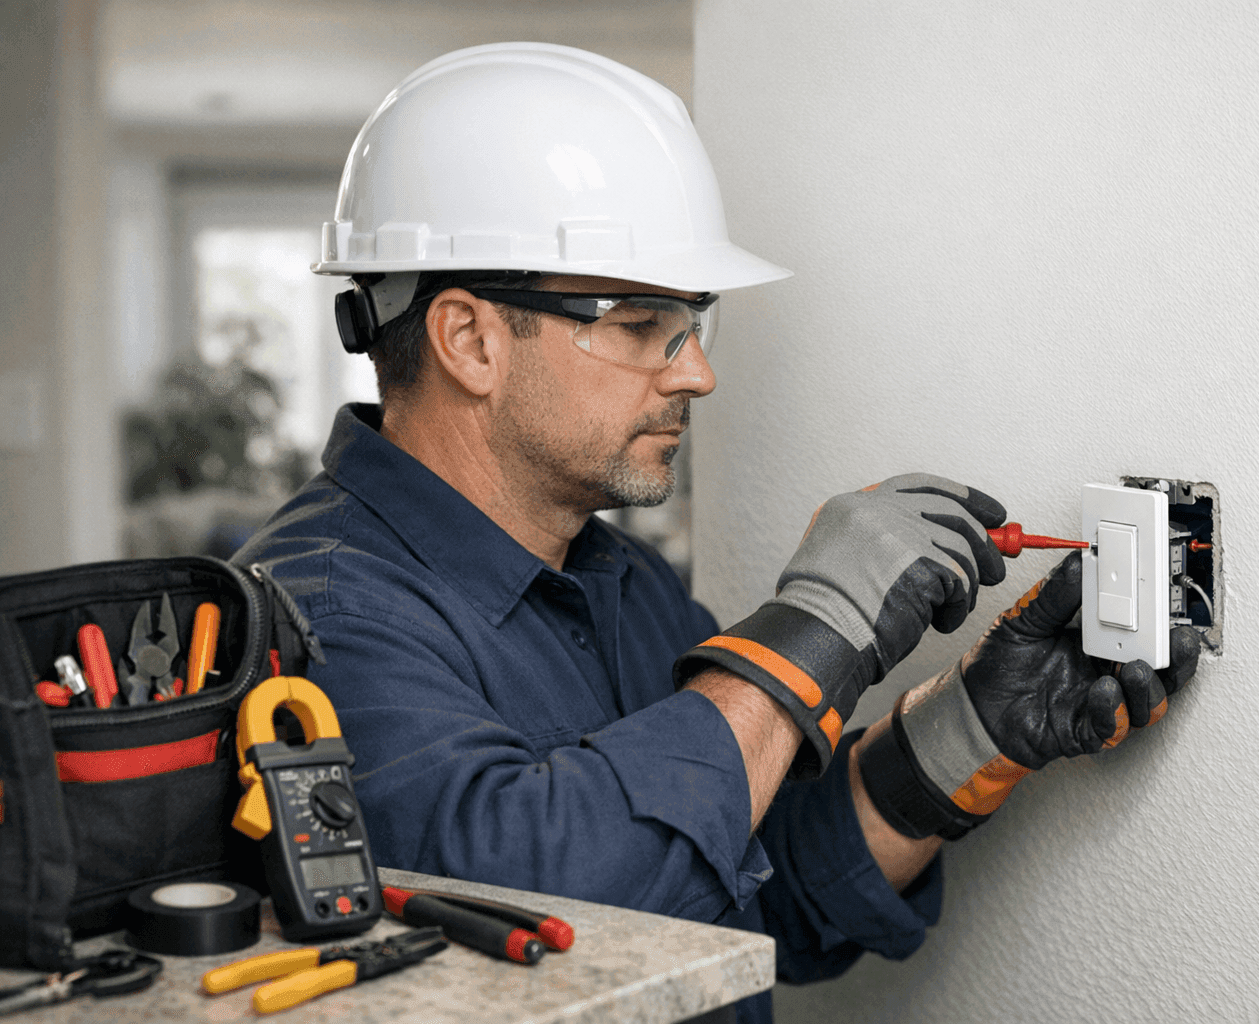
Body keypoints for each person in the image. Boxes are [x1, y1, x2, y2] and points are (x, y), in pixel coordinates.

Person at [235, 43, 1200, 1024]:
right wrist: (814, 626)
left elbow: (753, 894)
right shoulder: (313, 613)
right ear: (470, 339)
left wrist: (970, 728)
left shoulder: (623, 580)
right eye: (644, 322)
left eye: (696, 322)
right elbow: (528, 912)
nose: (695, 373)